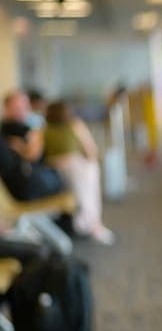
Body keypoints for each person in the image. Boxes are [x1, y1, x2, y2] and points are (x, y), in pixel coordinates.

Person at [43, 100, 115, 245]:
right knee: (90, 186)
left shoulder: (43, 130)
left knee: (85, 189)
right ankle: (92, 224)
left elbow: (33, 154)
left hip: (55, 168)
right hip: (75, 166)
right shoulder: (75, 125)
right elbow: (91, 151)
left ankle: (89, 222)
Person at [0, 91, 64, 200]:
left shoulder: (29, 128)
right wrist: (31, 143)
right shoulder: (8, 131)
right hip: (26, 185)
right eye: (17, 106)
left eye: (25, 105)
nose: (22, 109)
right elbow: (32, 156)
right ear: (7, 107)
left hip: (33, 179)